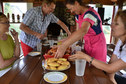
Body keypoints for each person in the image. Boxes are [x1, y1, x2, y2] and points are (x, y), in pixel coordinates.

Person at [69, 10, 126, 84]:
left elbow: (110, 68)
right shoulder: (121, 41)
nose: (111, 26)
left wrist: (85, 57)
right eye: (113, 23)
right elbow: (110, 71)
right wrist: (111, 80)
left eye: (117, 24)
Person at [0, 12, 20, 77]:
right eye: (6, 22)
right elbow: (2, 65)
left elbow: (17, 54)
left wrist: (16, 39)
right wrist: (14, 58)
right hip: (2, 73)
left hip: (12, 68)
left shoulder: (8, 37)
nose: (9, 25)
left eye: (8, 22)